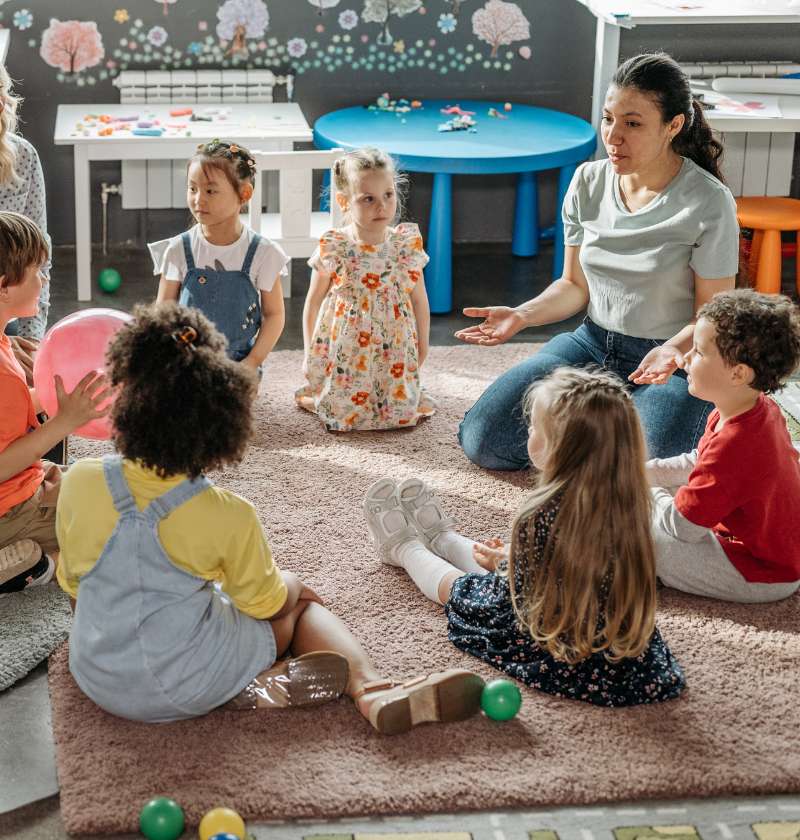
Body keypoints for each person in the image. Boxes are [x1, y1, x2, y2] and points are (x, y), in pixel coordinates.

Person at [55, 302, 485, 732]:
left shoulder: (79, 480)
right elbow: (265, 602)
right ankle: (372, 691)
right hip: (188, 681)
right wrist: (296, 586)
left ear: (123, 402)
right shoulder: (227, 514)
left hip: (99, 677)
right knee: (298, 608)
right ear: (222, 426)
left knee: (187, 597)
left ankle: (240, 684)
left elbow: (75, 585)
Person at [456, 52, 739, 469]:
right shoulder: (588, 181)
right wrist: (521, 314)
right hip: (591, 342)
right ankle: (602, 437)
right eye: (608, 119)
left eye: (633, 123)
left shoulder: (709, 201)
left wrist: (673, 351)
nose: (613, 136)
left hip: (669, 359)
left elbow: (711, 314)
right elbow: (574, 286)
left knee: (649, 469)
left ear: (673, 126)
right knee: (485, 439)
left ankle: (598, 439)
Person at [363, 367, 685, 707]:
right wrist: (510, 560)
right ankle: (443, 538)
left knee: (464, 589)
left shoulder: (542, 513)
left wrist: (507, 564)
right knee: (495, 567)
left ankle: (404, 548)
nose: (528, 430)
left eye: (534, 427)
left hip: (562, 639)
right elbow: (573, 565)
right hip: (620, 646)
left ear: (557, 448)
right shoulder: (634, 500)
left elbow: (524, 592)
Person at [646, 289, 800, 602]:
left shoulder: (737, 444)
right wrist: (643, 472)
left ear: (738, 374)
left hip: (763, 572)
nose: (686, 358)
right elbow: (699, 460)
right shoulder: (755, 408)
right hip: (767, 542)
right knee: (668, 497)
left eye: (700, 352)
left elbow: (681, 526)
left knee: (652, 542)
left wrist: (644, 491)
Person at [0, 212, 108, 595]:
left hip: (25, 484)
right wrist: (62, 423)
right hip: (10, 509)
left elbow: (8, 415)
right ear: (4, 287)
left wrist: (49, 400)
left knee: (101, 479)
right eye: (36, 272)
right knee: (119, 525)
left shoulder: (4, 342)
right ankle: (41, 565)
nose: (43, 281)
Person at [295, 147, 434, 431]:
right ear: (344, 201)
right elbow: (313, 302)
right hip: (347, 348)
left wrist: (423, 343)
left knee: (398, 410)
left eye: (388, 195)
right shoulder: (335, 246)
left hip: (393, 346)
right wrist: (311, 352)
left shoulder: (404, 246)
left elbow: (420, 301)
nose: (381, 206)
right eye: (368, 198)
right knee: (343, 410)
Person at [149, 139, 285, 372]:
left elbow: (274, 315)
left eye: (210, 190)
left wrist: (252, 363)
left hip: (238, 365)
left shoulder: (264, 253)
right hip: (186, 361)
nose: (198, 199)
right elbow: (163, 311)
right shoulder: (178, 249)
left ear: (244, 193)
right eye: (193, 189)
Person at [0, 65, 52, 380]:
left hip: (14, 313)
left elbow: (39, 255)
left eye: (1, 93)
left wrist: (33, 337)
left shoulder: (24, 157)